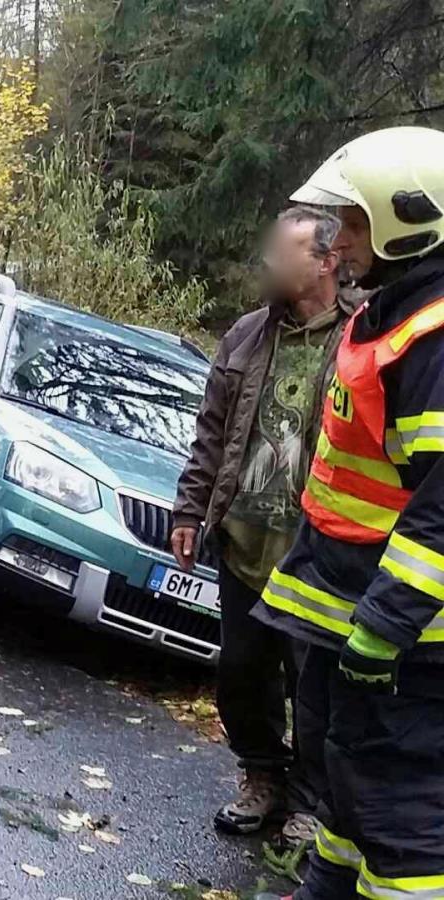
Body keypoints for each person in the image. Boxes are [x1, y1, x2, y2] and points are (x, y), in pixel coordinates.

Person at [251, 126, 444, 900]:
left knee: (404, 820)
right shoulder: (389, 318)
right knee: (347, 785)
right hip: (347, 612)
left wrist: (387, 622)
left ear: (411, 220)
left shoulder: (432, 341)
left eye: (354, 222)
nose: (341, 240)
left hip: (409, 645)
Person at [171, 207, 348, 845]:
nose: (271, 260)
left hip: (318, 555)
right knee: (241, 676)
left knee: (315, 690)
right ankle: (261, 778)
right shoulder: (246, 335)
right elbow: (211, 435)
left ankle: (310, 801)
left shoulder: (359, 339)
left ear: (327, 261)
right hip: (244, 543)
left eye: (288, 250)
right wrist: (191, 509)